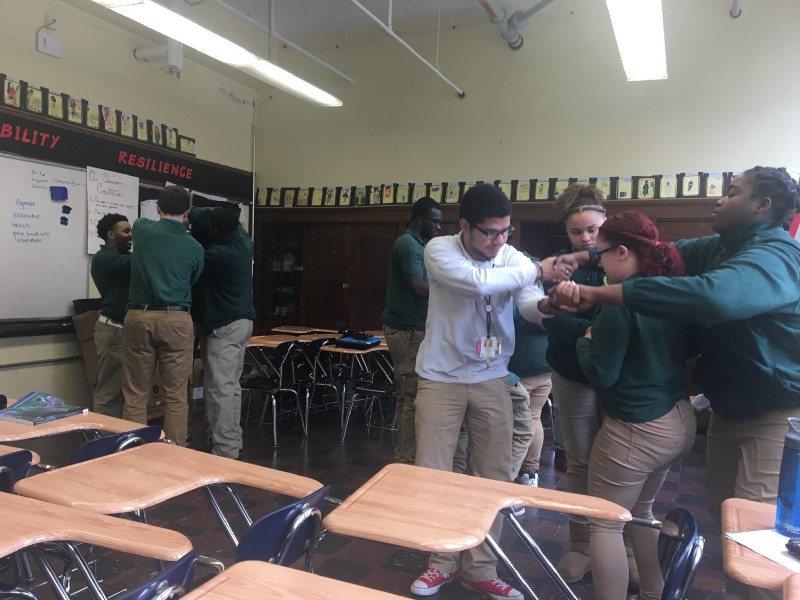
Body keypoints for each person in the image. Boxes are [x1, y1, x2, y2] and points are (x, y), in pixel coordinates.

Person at [550, 167, 800, 529]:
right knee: (722, 509)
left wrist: (600, 294)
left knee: (754, 528)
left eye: (732, 193)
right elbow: (660, 252)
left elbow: (713, 298)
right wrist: (585, 257)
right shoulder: (722, 246)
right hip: (730, 405)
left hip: (774, 408)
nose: (720, 199)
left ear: (762, 205)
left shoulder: (778, 256)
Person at [409, 183, 563, 600]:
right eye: (490, 232)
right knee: (434, 474)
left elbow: (528, 302)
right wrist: (538, 270)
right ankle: (440, 562)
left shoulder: (512, 257)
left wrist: (548, 306)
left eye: (505, 231)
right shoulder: (439, 249)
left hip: (492, 376)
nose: (499, 241)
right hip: (441, 377)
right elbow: (477, 283)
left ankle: (480, 569)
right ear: (465, 226)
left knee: (492, 477)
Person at [570, 211, 696, 600]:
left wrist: (584, 341)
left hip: (637, 428)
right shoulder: (669, 289)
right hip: (679, 419)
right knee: (642, 511)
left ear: (623, 252)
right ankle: (654, 593)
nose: (599, 263)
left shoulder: (617, 302)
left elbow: (602, 374)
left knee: (605, 523)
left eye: (602, 254)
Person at [543, 183, 613, 583]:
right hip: (573, 374)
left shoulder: (624, 257)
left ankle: (620, 544)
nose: (586, 238)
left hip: (617, 377)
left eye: (593, 229)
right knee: (581, 460)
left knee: (618, 465)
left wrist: (595, 325)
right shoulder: (560, 267)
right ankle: (582, 545)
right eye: (577, 232)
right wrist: (590, 328)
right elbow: (554, 320)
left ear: (606, 224)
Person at [121, 185, 204, 446]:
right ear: (187, 212)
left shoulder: (142, 229)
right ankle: (174, 452)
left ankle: (133, 452)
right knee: (176, 395)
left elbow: (143, 223)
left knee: (135, 393)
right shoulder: (194, 247)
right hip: (177, 318)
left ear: (157, 207)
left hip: (139, 315)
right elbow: (193, 279)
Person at [188, 206, 256, 460]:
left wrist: (188, 213)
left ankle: (225, 449)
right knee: (230, 386)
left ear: (215, 230)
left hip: (224, 327)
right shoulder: (244, 240)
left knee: (220, 389)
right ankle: (232, 440)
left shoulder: (218, 256)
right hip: (242, 324)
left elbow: (193, 258)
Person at [380, 196, 442, 464]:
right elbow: (416, 287)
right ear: (419, 219)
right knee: (412, 396)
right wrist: (447, 288)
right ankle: (407, 459)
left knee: (407, 396)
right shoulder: (409, 245)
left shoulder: (418, 245)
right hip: (406, 331)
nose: (438, 227)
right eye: (435, 222)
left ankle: (406, 456)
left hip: (411, 329)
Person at [508, 285, 552, 488]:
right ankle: (530, 472)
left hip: (520, 367)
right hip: (546, 363)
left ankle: (507, 474)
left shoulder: (515, 292)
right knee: (534, 416)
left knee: (513, 422)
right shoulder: (547, 290)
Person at [89, 213, 132, 417]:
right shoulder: (104, 258)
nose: (131, 235)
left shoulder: (124, 257)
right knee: (109, 393)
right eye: (126, 231)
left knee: (129, 391)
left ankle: (123, 433)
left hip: (128, 330)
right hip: (114, 331)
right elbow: (141, 261)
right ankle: (104, 435)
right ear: (111, 235)